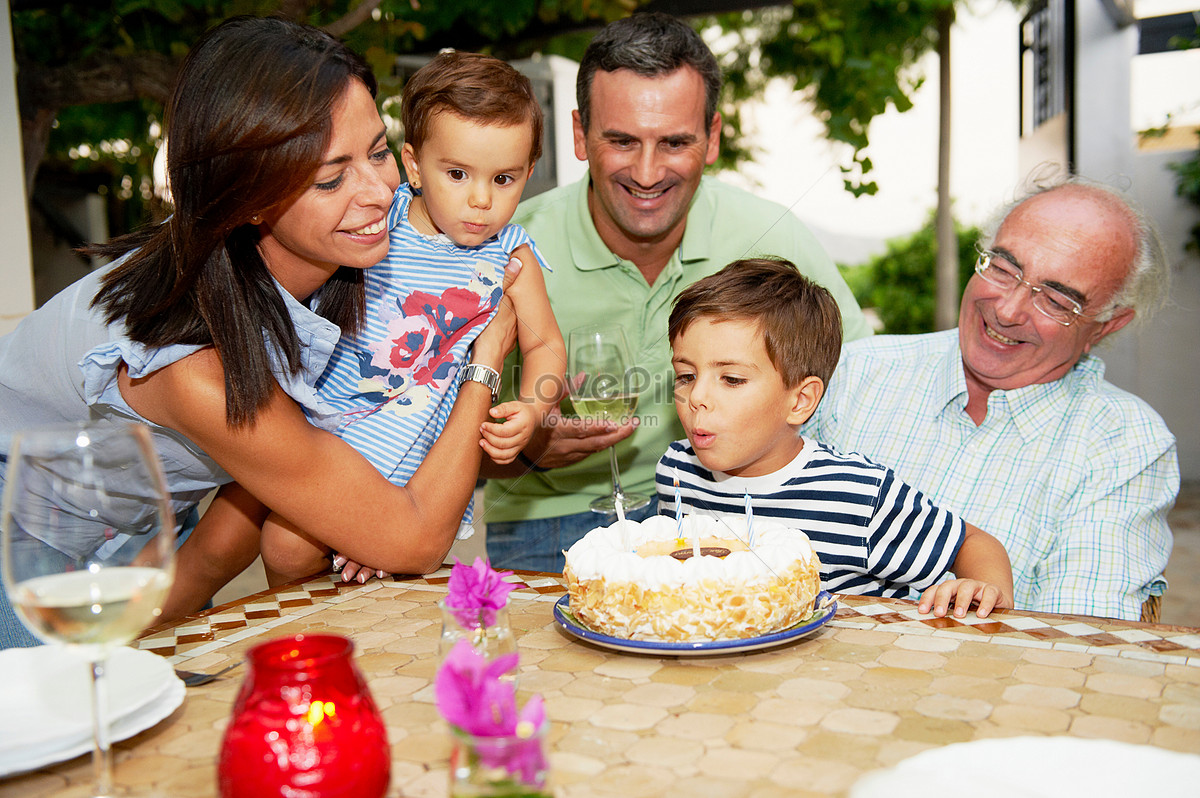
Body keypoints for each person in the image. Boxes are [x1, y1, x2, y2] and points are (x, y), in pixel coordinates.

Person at [0, 17, 518, 647]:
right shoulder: (190, 365)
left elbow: (265, 487)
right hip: (28, 548)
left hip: (152, 529)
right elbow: (410, 539)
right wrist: (484, 360)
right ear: (247, 199)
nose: (381, 191)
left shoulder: (332, 265)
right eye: (331, 179)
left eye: (378, 151)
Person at [483, 12, 872, 573]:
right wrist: (521, 455)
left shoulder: (771, 235)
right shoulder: (502, 251)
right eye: (621, 140)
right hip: (544, 520)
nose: (646, 173)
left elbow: (857, 381)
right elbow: (419, 436)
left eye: (674, 143)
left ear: (712, 137)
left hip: (730, 509)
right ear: (578, 135)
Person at [803, 176, 1178, 621]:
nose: (1007, 310)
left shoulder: (1124, 444)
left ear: (1106, 325)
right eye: (1002, 269)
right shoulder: (851, 374)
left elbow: (1075, 644)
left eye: (1057, 299)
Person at [256, 51, 564, 585]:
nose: (481, 200)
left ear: (529, 174)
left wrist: (533, 408)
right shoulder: (382, 215)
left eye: (505, 178)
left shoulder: (511, 255)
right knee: (258, 538)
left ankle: (329, 646)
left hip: (411, 445)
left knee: (291, 548)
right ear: (415, 165)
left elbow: (546, 346)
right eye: (458, 173)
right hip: (324, 421)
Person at [659, 258, 1013, 618]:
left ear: (800, 401)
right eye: (686, 375)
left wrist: (986, 589)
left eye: (731, 379)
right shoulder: (677, 472)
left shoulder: (858, 496)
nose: (696, 397)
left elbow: (971, 543)